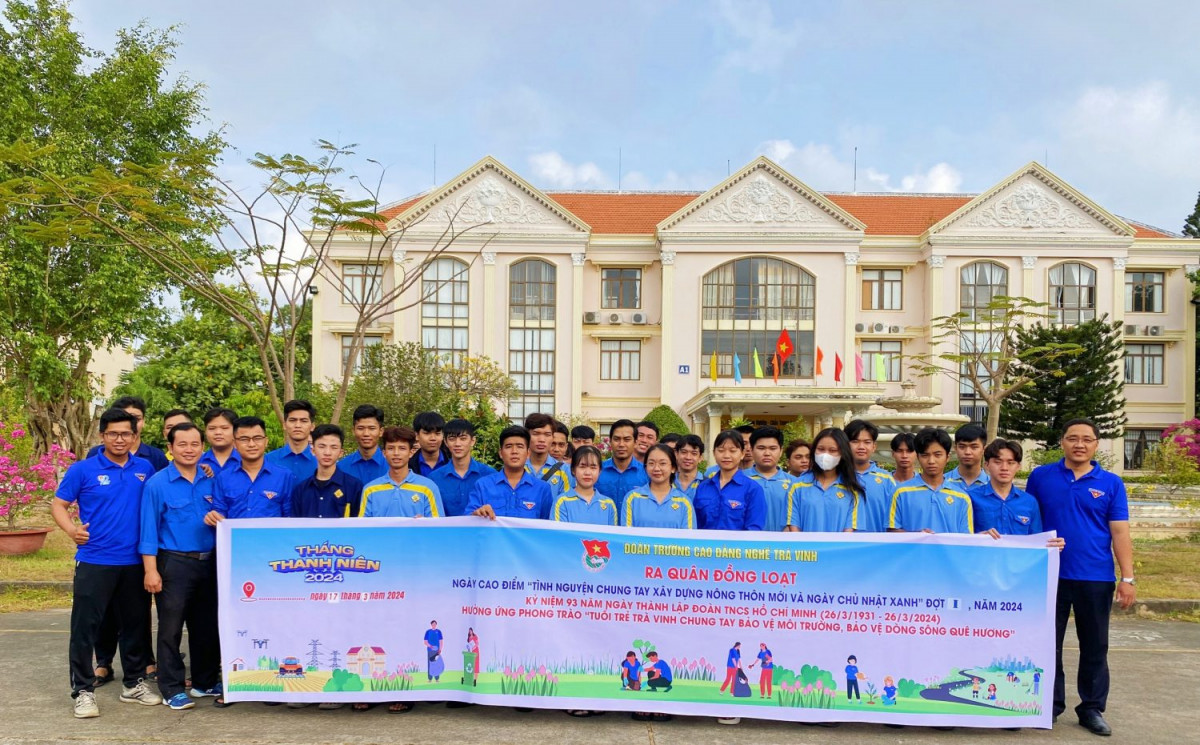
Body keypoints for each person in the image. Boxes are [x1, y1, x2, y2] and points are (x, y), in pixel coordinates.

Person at [1026, 418, 1135, 737]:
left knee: (1095, 645)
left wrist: (1127, 578)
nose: (1079, 444)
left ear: (1096, 445)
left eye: (1087, 439)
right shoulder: (1041, 477)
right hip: (1049, 574)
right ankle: (1049, 705)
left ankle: (1091, 708)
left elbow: (1120, 531)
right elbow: (1029, 519)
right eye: (1073, 438)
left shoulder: (1111, 483)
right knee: (1048, 643)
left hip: (1095, 576)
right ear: (1062, 442)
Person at [52, 408, 160, 718]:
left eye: (126, 433)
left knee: (135, 625)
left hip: (134, 562)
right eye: (113, 433)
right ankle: (83, 691)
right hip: (95, 560)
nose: (119, 439)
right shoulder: (83, 470)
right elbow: (58, 505)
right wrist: (71, 530)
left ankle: (134, 683)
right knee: (86, 628)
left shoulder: (145, 468)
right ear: (102, 436)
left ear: (134, 436)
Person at [138, 423, 221, 710]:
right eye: (182, 444)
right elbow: (148, 530)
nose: (189, 449)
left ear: (202, 447)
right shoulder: (157, 484)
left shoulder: (211, 480)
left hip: (209, 562)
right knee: (170, 629)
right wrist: (151, 570)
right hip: (173, 563)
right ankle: (171, 688)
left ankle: (204, 681)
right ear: (170, 448)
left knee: (206, 625)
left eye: (195, 444)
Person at [972, 439, 1064, 550]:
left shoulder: (1029, 502)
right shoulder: (971, 498)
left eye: (1011, 463)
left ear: (1018, 466)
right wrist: (977, 538)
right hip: (983, 559)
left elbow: (1036, 541)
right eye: (997, 462)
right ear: (986, 465)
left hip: (1019, 561)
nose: (1004, 468)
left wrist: (1053, 546)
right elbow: (961, 537)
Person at [205, 416, 295, 522]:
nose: (251, 444)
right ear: (234, 444)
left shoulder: (284, 476)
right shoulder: (224, 477)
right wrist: (214, 518)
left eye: (257, 438)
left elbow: (290, 516)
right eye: (244, 439)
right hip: (235, 533)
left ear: (266, 441)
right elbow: (219, 512)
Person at [888, 428, 973, 534]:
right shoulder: (900, 492)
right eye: (925, 455)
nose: (931, 461)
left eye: (938, 455)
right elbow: (891, 530)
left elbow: (967, 538)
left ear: (947, 457)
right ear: (918, 457)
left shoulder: (962, 497)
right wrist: (918, 536)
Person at [465, 426, 554, 520]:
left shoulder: (542, 489)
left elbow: (547, 525)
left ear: (528, 453)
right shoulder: (483, 485)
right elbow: (467, 520)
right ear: (501, 453)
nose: (514, 451)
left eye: (520, 446)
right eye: (508, 446)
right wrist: (477, 513)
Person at [787, 428, 862, 532]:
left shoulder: (852, 488)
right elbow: (794, 527)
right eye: (821, 449)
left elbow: (849, 530)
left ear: (843, 453)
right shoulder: (797, 486)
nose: (825, 455)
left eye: (832, 450)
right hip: (804, 543)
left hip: (840, 543)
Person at [359, 427, 445, 517]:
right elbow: (363, 525)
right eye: (391, 448)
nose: (396, 453)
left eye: (402, 448)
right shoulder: (370, 490)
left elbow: (437, 524)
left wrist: (424, 522)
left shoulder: (428, 487)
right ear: (384, 453)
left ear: (411, 452)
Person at [694, 430, 766, 531]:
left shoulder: (753, 489)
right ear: (714, 453)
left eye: (733, 451)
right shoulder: (703, 487)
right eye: (721, 450)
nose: (726, 455)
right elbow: (696, 525)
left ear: (742, 454)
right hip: (705, 541)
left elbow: (754, 528)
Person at [292, 424, 364, 519]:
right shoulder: (301, 489)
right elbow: (295, 524)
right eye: (322, 446)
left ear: (341, 453)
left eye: (334, 447)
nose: (327, 453)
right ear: (313, 450)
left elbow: (359, 523)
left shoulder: (354, 486)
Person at [429, 419, 497, 520]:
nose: (457, 444)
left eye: (463, 438)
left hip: (479, 529)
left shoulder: (490, 475)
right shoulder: (434, 478)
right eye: (452, 439)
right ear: (446, 442)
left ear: (472, 441)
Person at [85, 396, 169, 473]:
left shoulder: (156, 456)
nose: (131, 424)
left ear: (144, 421)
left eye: (136, 419)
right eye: (124, 419)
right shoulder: (95, 453)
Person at [622, 444, 695, 529]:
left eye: (662, 463)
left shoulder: (684, 502)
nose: (656, 468)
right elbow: (626, 535)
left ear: (673, 468)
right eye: (651, 463)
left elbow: (689, 536)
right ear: (645, 467)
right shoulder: (632, 498)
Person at [844, 420, 896, 533]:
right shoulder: (838, 477)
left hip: (877, 542)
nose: (861, 447)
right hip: (844, 543)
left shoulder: (887, 480)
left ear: (874, 446)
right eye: (855, 441)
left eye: (867, 442)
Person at [554, 446, 617, 525]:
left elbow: (612, 532)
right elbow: (558, 532)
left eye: (593, 467)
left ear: (600, 471)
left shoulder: (609, 504)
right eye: (582, 467)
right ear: (573, 470)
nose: (587, 472)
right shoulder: (562, 502)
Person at [745, 426, 793, 531]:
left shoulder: (794, 484)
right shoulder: (740, 480)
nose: (767, 453)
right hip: (750, 540)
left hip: (785, 541)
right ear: (751, 450)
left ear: (781, 451)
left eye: (773, 448)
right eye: (761, 448)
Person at [596, 420, 648, 510]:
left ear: (635, 442)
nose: (621, 444)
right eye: (616, 439)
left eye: (627, 439)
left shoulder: (646, 473)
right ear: (610, 441)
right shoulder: (597, 470)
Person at [265, 399, 318, 482]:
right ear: (284, 425)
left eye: (304, 421)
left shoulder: (320, 462)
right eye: (292, 420)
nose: (298, 425)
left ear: (312, 426)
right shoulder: (268, 460)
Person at [339, 404, 388, 485]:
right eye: (360, 428)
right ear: (353, 431)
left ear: (381, 431)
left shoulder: (392, 466)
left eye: (372, 428)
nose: (366, 434)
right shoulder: (341, 467)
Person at [522, 413, 570, 496]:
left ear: (552, 437)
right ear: (526, 436)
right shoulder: (516, 467)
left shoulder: (564, 470)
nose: (542, 439)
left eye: (547, 434)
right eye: (536, 434)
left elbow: (567, 501)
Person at [198, 408, 240, 475]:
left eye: (224, 428)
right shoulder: (196, 462)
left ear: (236, 430)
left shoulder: (247, 461)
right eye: (212, 428)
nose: (218, 432)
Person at [946, 424, 989, 489]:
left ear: (984, 449)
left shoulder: (993, 485)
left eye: (974, 447)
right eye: (962, 447)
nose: (967, 452)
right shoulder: (942, 482)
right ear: (955, 449)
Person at [411, 411, 449, 476]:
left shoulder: (453, 463)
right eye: (427, 433)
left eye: (437, 433)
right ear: (417, 435)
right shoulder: (408, 466)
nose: (433, 438)